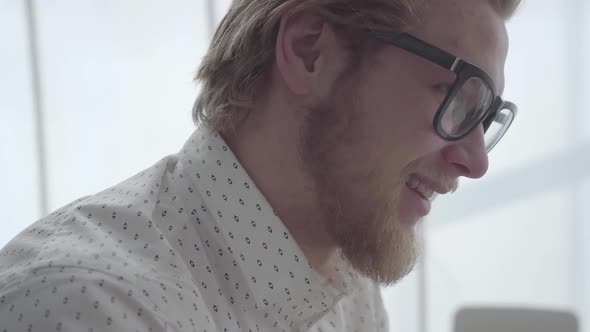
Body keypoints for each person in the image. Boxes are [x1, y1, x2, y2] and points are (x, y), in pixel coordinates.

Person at [0, 0, 521, 331]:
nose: (475, 162)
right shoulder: (88, 307)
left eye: (486, 118)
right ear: (310, 51)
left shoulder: (347, 285)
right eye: (456, 97)